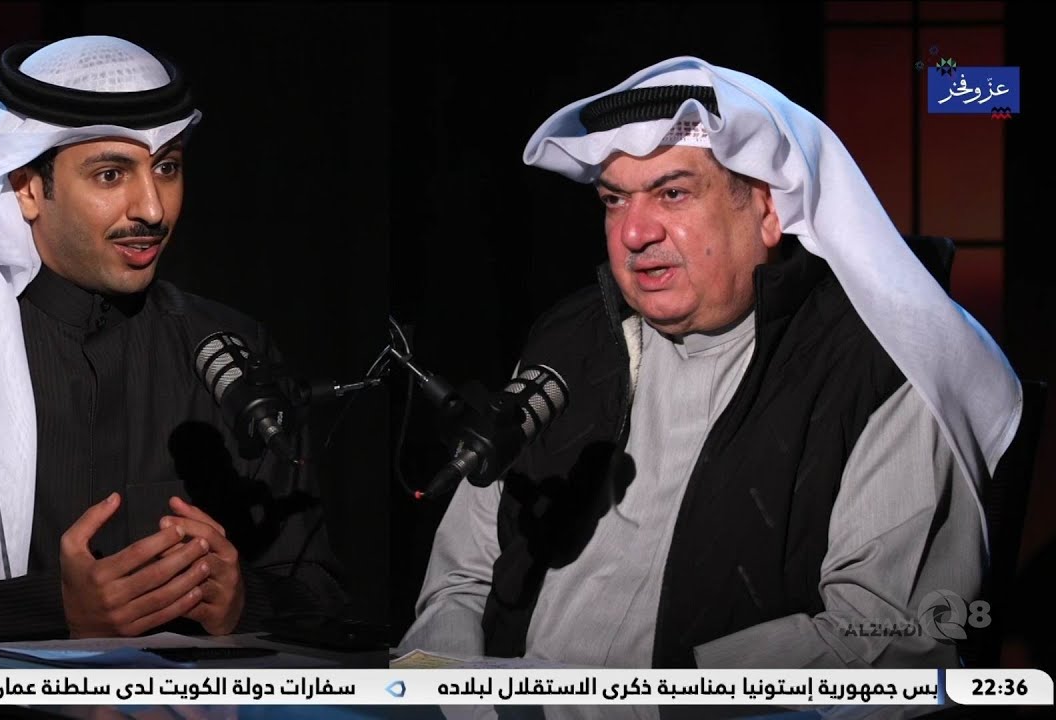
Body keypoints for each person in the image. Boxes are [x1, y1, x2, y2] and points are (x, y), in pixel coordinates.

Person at [401, 56, 1022, 672]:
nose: (634, 233)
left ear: (769, 210)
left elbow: (885, 639)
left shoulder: (875, 365)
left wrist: (629, 705)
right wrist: (446, 689)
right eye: (614, 200)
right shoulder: (568, 341)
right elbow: (461, 577)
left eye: (672, 193)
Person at [0, 36, 343, 651]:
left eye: (167, 168)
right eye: (111, 174)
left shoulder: (227, 350)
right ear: (27, 186)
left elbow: (320, 590)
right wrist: (54, 611)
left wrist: (242, 602)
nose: (152, 209)